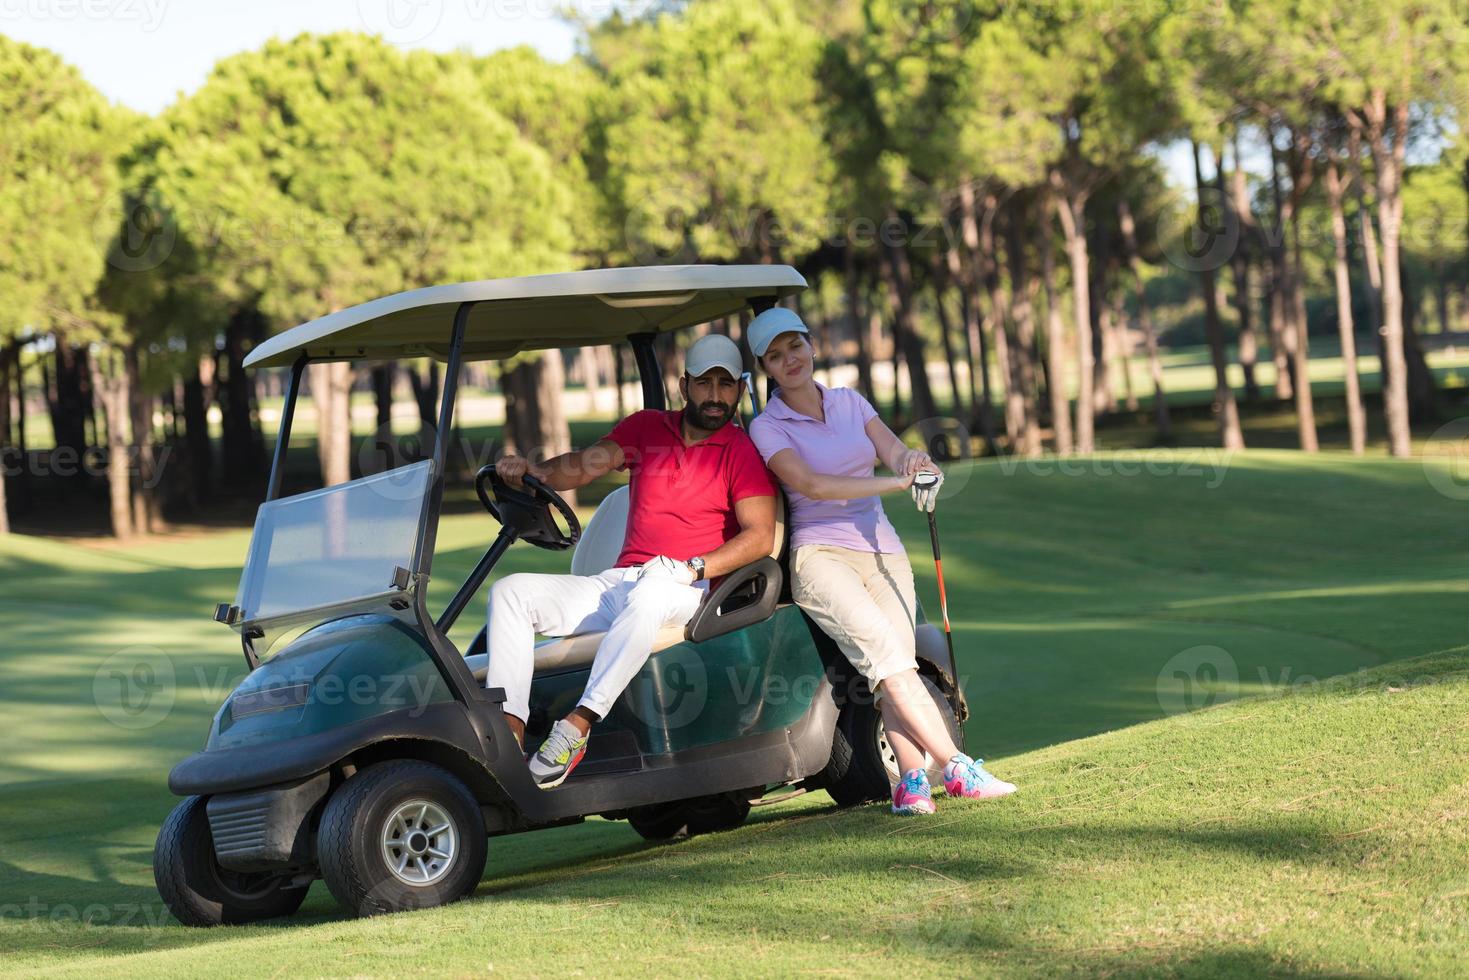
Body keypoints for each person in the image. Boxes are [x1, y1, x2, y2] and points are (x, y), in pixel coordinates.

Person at [745, 307, 1016, 815]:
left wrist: (914, 462)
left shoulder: (850, 402)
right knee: (888, 662)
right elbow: (812, 485)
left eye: (794, 347)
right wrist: (894, 483)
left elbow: (894, 451)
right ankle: (957, 767)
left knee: (894, 666)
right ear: (766, 367)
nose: (789, 360)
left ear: (811, 346)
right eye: (775, 356)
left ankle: (911, 782)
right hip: (821, 556)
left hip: (881, 550)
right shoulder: (767, 427)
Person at [485, 333, 777, 789]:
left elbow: (760, 536)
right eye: (705, 384)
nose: (715, 396)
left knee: (651, 592)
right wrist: (536, 473)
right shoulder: (647, 429)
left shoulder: (741, 453)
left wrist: (691, 567)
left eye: (725, 384)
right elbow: (585, 465)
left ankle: (577, 726)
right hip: (622, 579)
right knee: (511, 591)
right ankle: (510, 735)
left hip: (686, 586)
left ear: (740, 389)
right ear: (685, 386)